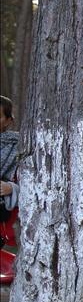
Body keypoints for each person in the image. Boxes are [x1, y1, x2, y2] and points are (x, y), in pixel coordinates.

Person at [0, 96, 20, 250]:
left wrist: (11, 188)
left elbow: (35, 184)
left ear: (7, 120)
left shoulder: (18, 146)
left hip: (5, 219)